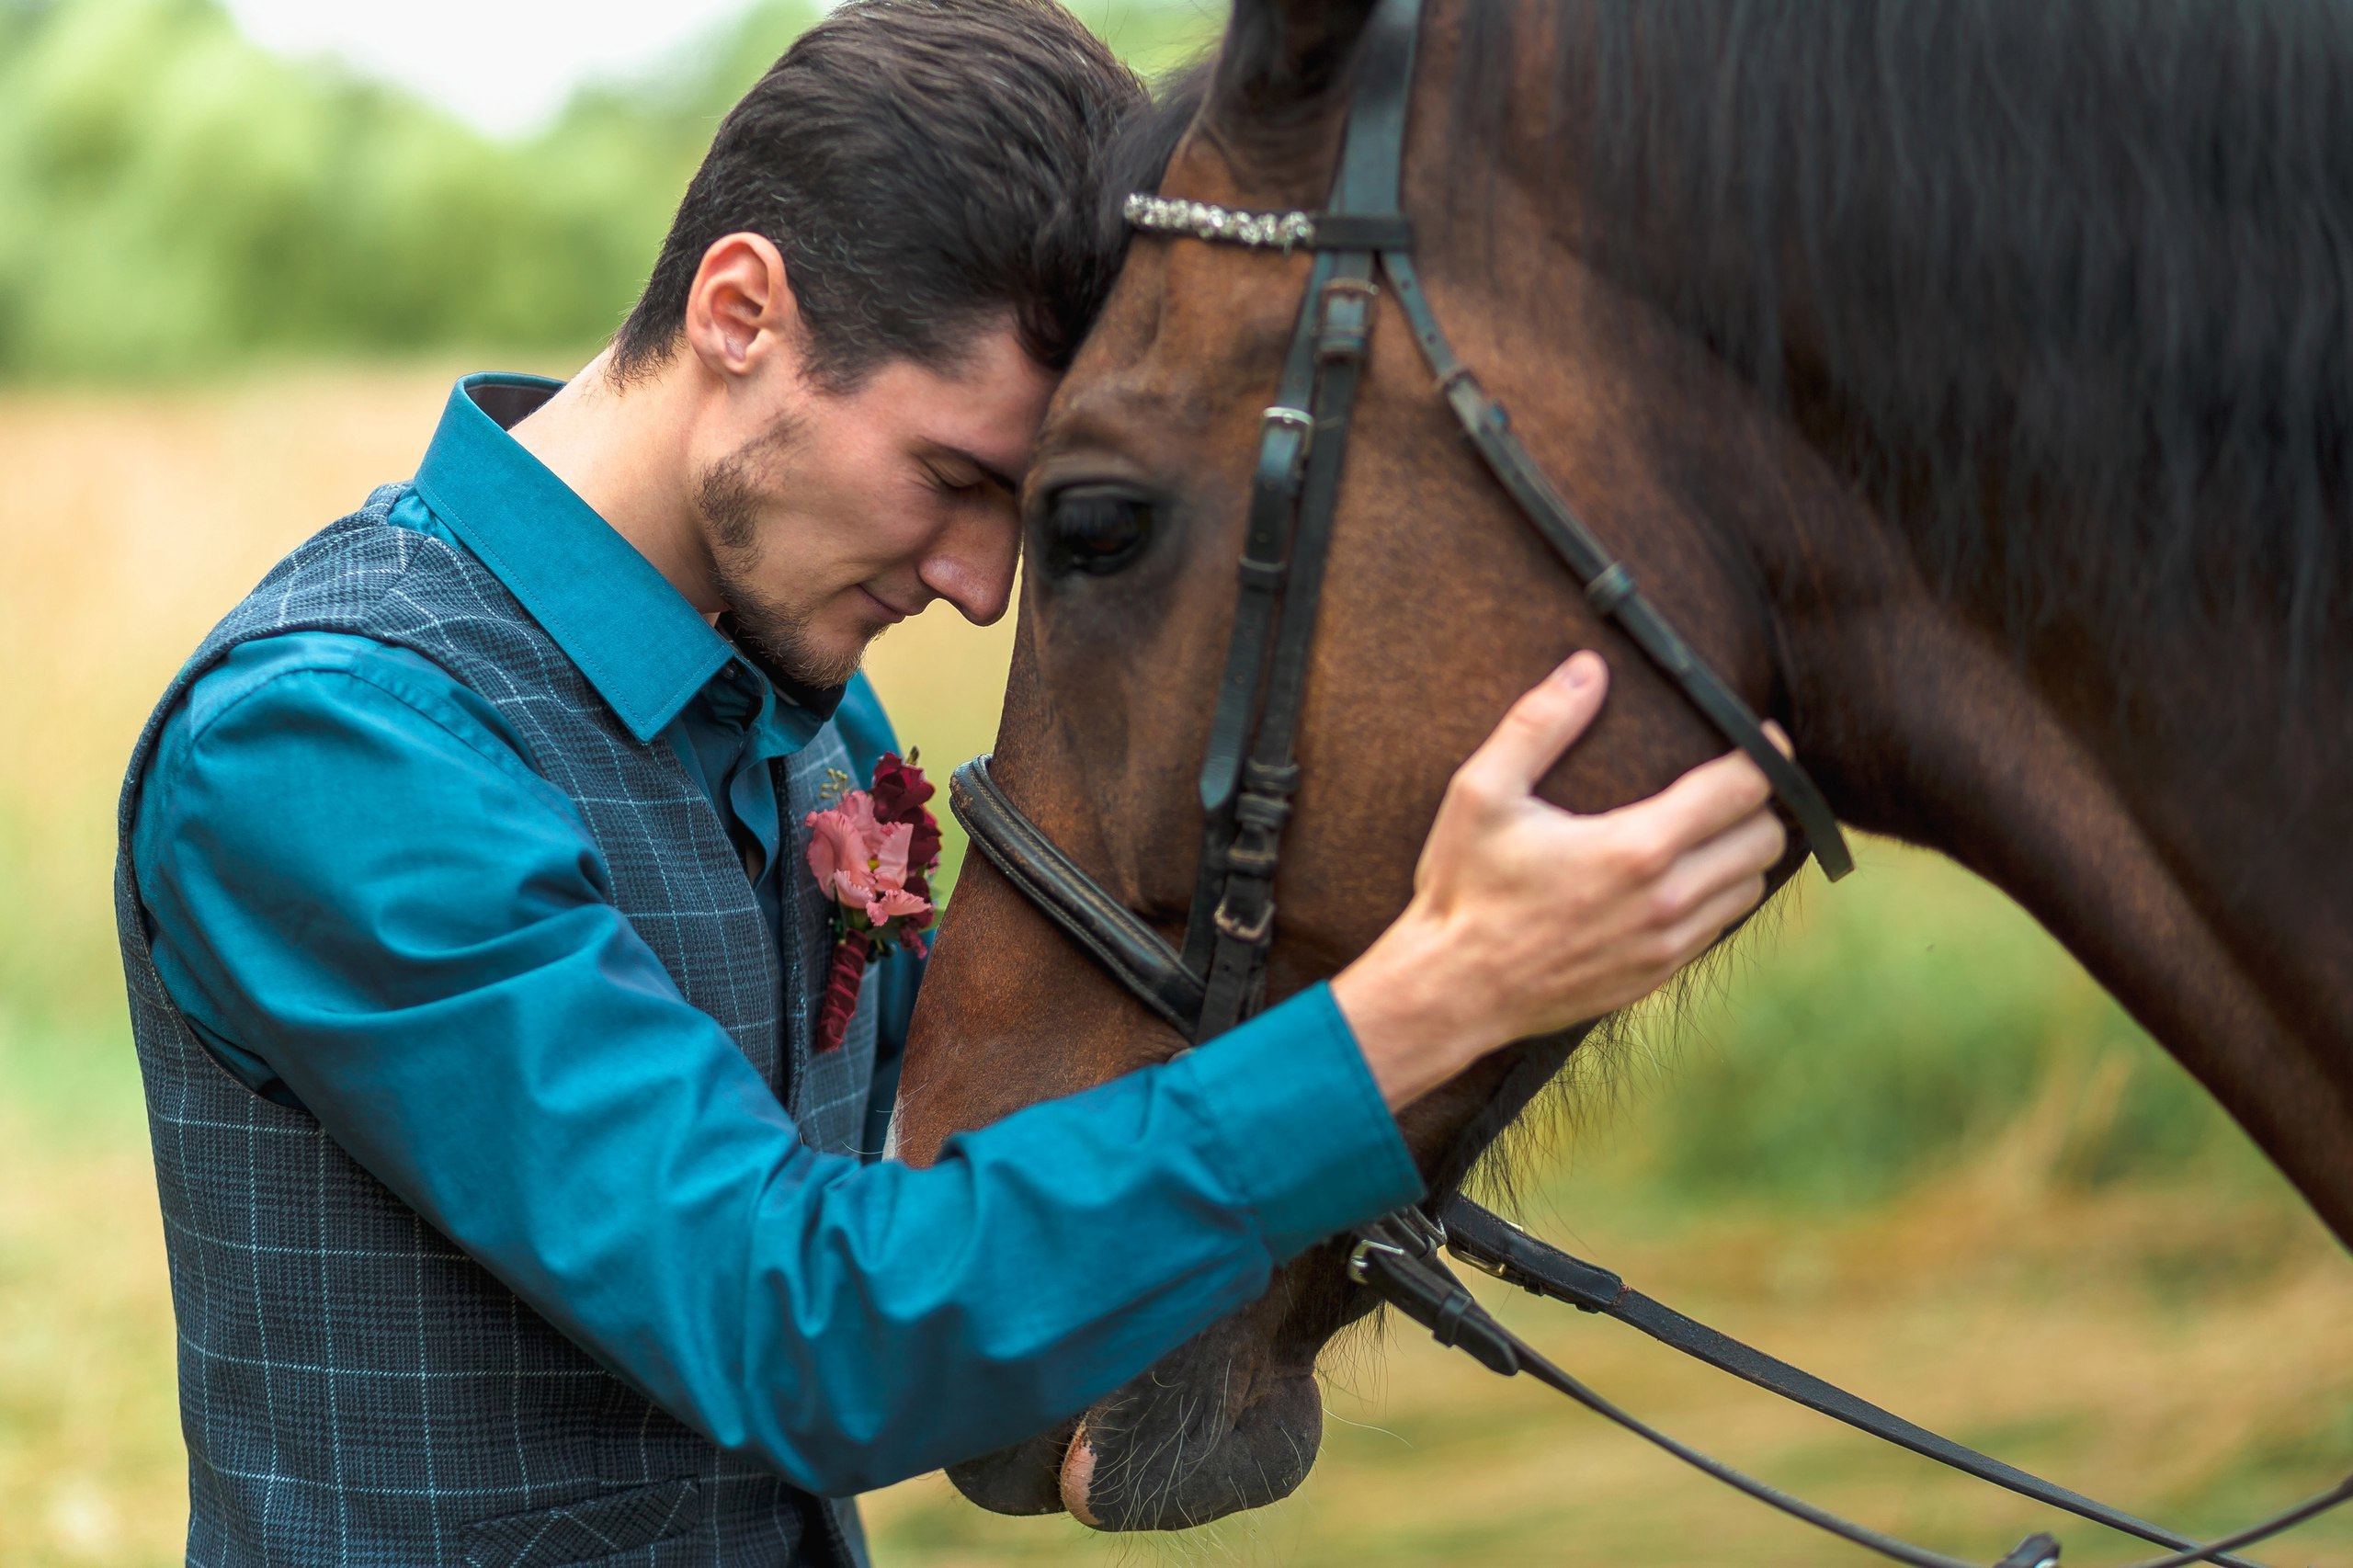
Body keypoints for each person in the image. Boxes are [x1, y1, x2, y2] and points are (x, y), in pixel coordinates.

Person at [116, 3, 1789, 1564]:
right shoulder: (330, 742)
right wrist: (1424, 1007)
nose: (986, 587)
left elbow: (974, 1169)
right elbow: (794, 1325)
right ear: (739, 312)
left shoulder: (798, 714)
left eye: (1033, 499)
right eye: (952, 478)